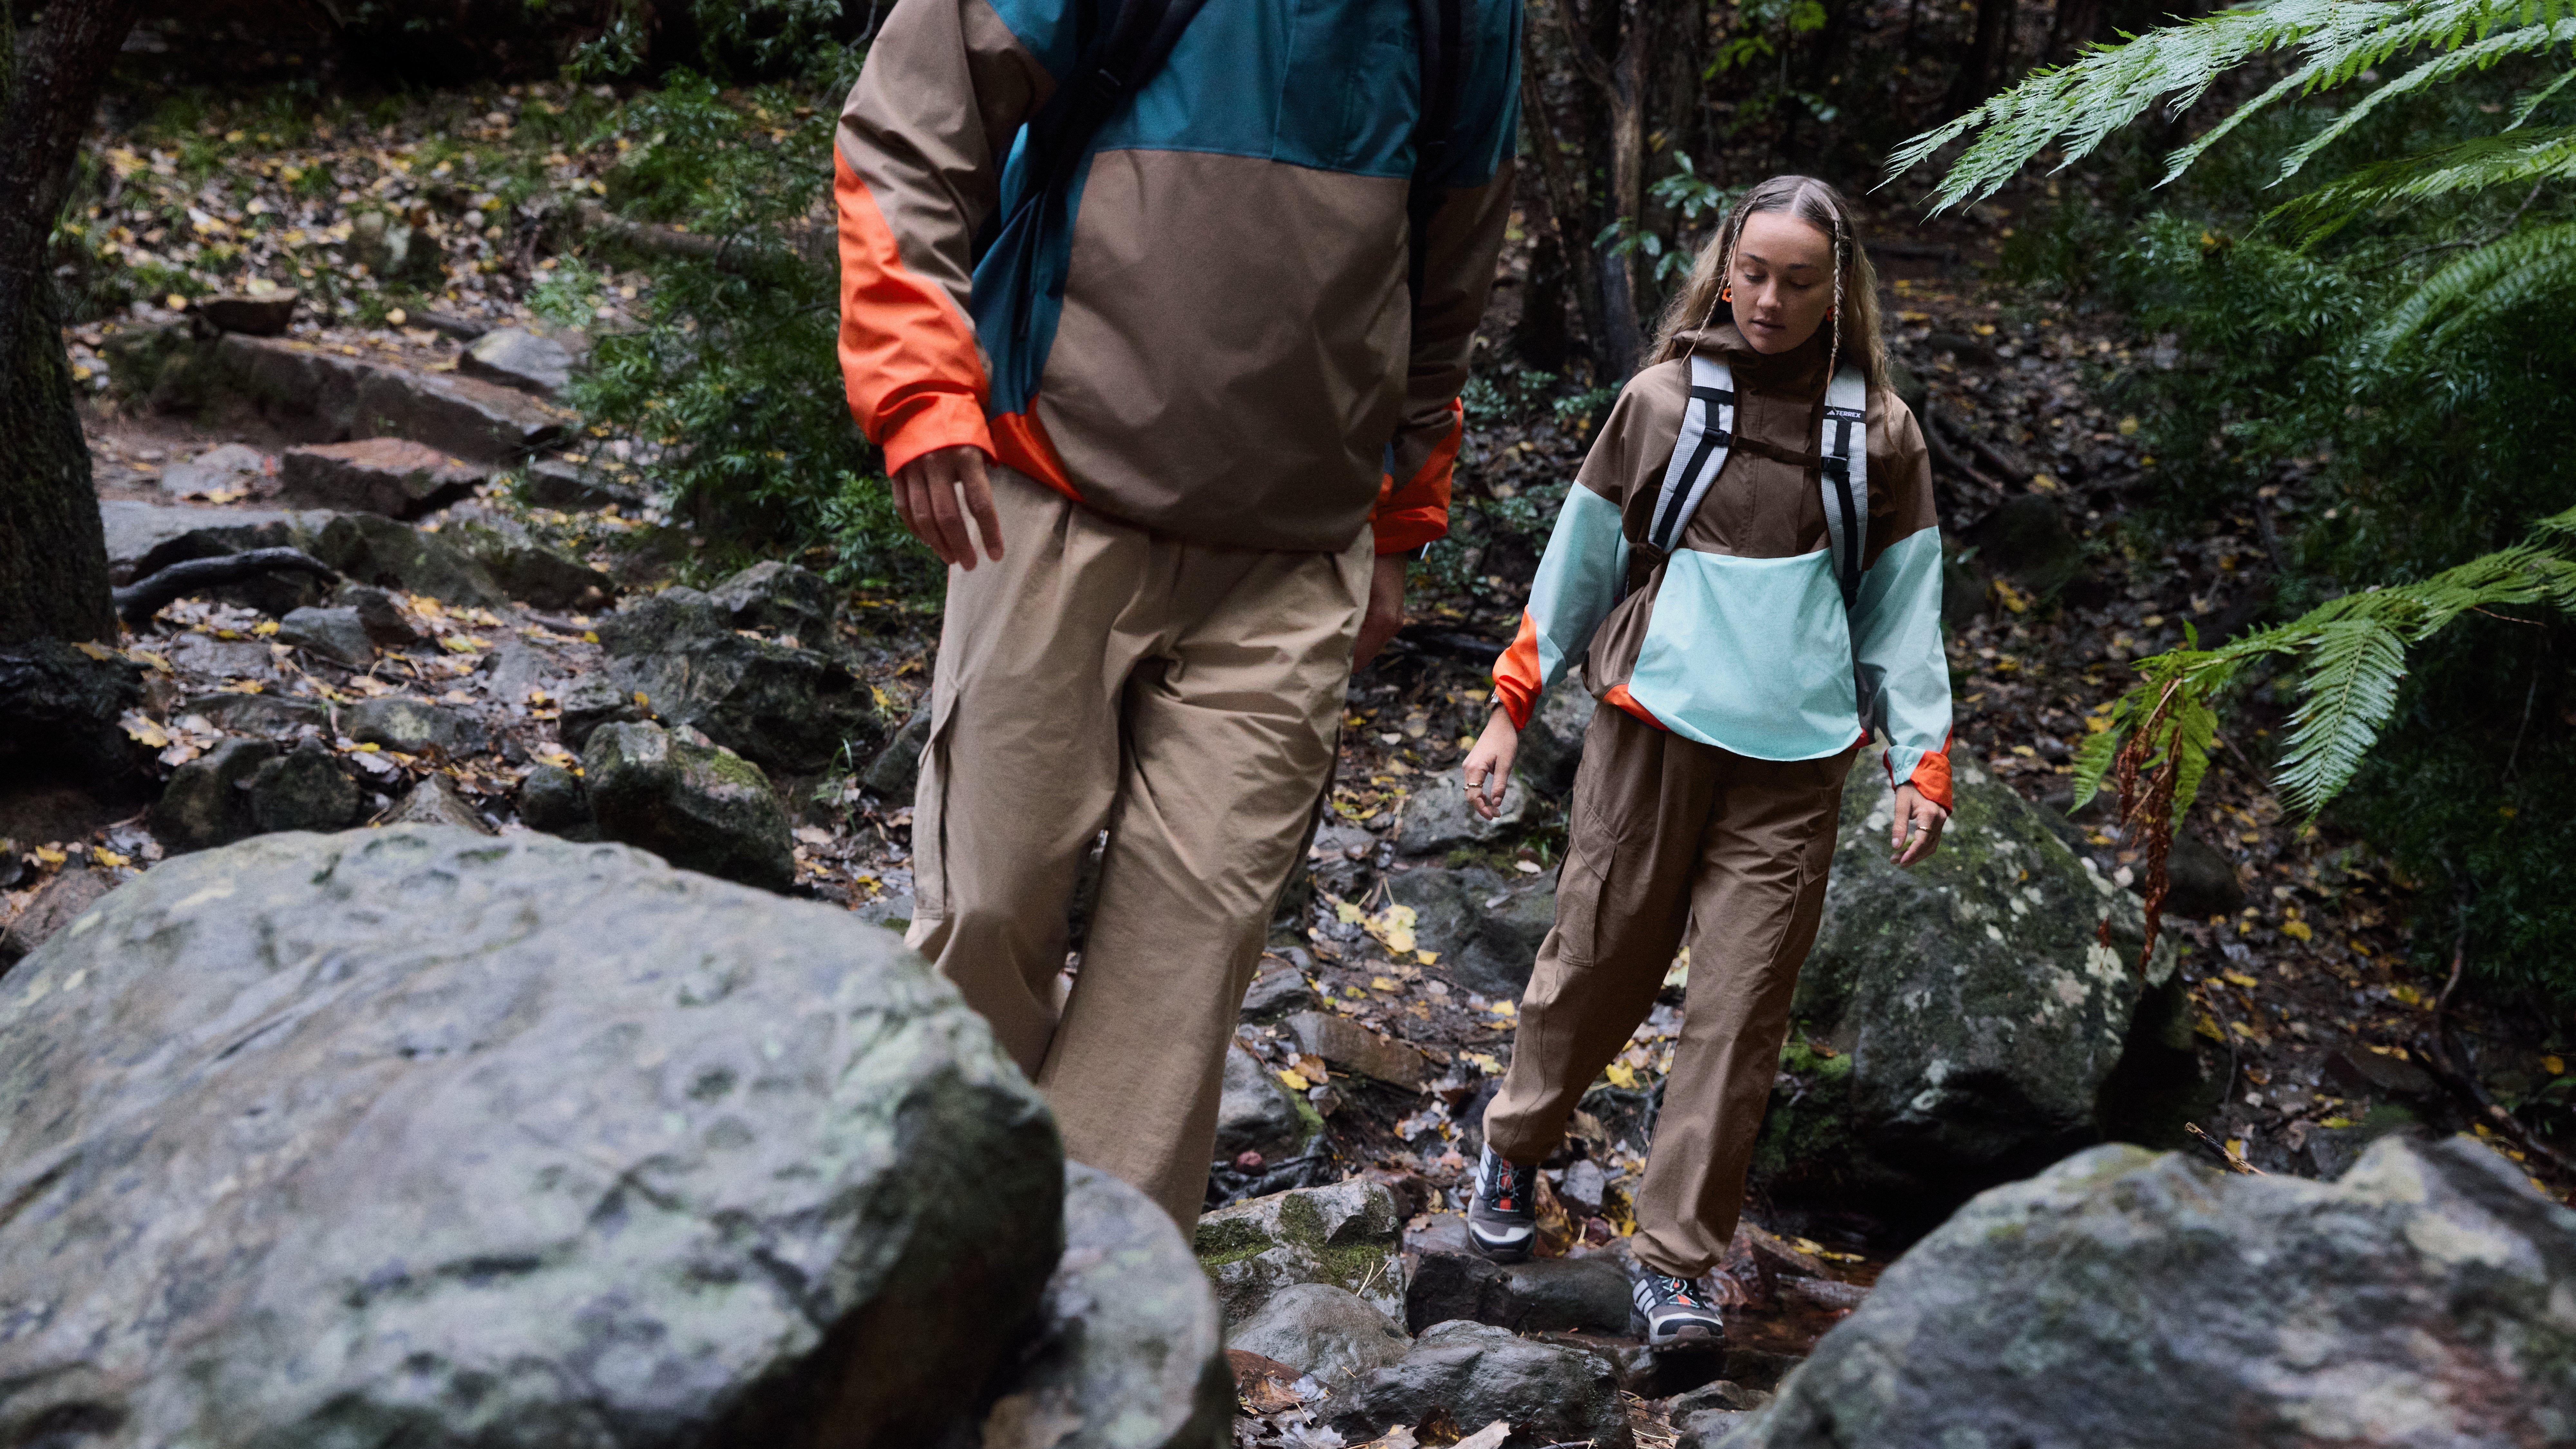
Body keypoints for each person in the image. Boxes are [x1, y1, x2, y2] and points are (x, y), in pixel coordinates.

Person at [834, 0, 1523, 1232]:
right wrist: (920, 385)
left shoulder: (1467, 15)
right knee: (991, 904)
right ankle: (911, 1253)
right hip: (1049, 484)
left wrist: (1399, 524)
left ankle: (1084, 1337)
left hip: (1297, 552)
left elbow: (1451, 262)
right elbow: (912, 120)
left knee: (1188, 957)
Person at [1453, 175, 1953, 1347]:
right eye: (1754, 272)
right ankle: (1516, 1144)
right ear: (1725, 270)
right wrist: (1509, 706)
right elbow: (1578, 560)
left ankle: (1676, 1261)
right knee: (1598, 961)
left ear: (1841, 292)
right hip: (1651, 732)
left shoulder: (1878, 435)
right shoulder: (1663, 401)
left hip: (1797, 761)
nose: (1771, 299)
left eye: (1798, 280)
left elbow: (1904, 607)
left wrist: (1919, 763)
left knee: (1738, 1015)